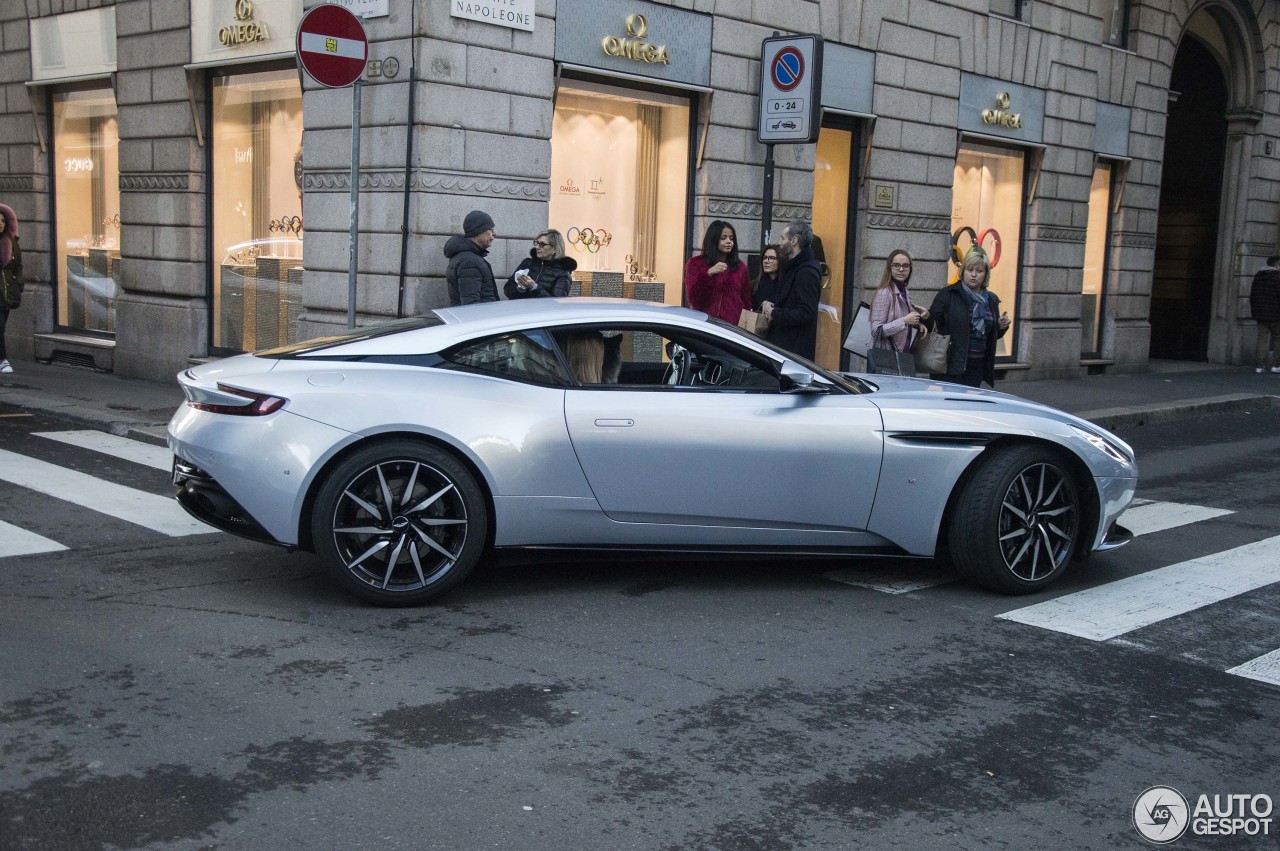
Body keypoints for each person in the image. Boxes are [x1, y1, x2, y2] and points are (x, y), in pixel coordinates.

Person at [925, 247, 1010, 388]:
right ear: (962, 271)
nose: (974, 275)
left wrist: (1001, 327)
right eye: (970, 270)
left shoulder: (991, 300)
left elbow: (990, 335)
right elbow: (933, 325)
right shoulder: (949, 294)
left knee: (968, 407)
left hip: (976, 366)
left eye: (979, 271)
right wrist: (926, 316)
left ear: (986, 275)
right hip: (950, 366)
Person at [761, 220, 821, 360]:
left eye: (782, 238)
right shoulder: (793, 266)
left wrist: (775, 313)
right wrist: (772, 306)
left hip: (793, 353)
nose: (780, 242)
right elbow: (791, 303)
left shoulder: (806, 271)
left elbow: (806, 313)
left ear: (793, 241)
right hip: (784, 349)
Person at [684, 220, 751, 324]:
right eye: (723, 238)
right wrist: (708, 274)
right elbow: (694, 300)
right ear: (713, 239)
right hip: (706, 325)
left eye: (731, 238)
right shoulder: (695, 264)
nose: (729, 241)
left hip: (733, 328)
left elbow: (746, 302)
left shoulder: (740, 267)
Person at [869, 249, 929, 355]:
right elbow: (876, 330)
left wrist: (917, 323)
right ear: (889, 267)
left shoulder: (904, 291)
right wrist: (904, 321)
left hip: (902, 355)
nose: (901, 269)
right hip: (887, 357)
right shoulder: (884, 293)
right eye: (896, 265)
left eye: (905, 266)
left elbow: (901, 322)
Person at [445, 210, 499, 306]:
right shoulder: (470, 261)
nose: (494, 233)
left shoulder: (466, 257)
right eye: (490, 229)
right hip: (481, 318)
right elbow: (470, 305)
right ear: (478, 232)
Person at [504, 229, 576, 300]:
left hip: (541, 312)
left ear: (554, 249)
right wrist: (520, 288)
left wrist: (534, 287)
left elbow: (556, 303)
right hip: (521, 310)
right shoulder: (527, 263)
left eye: (542, 244)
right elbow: (507, 289)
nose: (537, 247)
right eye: (537, 243)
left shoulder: (563, 272)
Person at [1249, 254, 1280, 373]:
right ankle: (1276, 365)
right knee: (1278, 338)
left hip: (1260, 314)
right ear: (1277, 266)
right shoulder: (1277, 278)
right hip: (1275, 314)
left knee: (1262, 339)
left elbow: (1253, 295)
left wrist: (1255, 311)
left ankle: (1259, 366)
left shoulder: (1258, 276)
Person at [0, 204, 22, 375]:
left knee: (2, 326)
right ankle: (3, 360)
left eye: (2, 220)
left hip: (6, 292)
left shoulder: (10, 241)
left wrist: (18, 285)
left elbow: (18, 267)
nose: (0, 223)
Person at [751, 244, 782, 311]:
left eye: (771, 258)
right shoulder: (756, 284)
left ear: (780, 260)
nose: (766, 261)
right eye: (764, 258)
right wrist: (762, 304)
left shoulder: (786, 283)